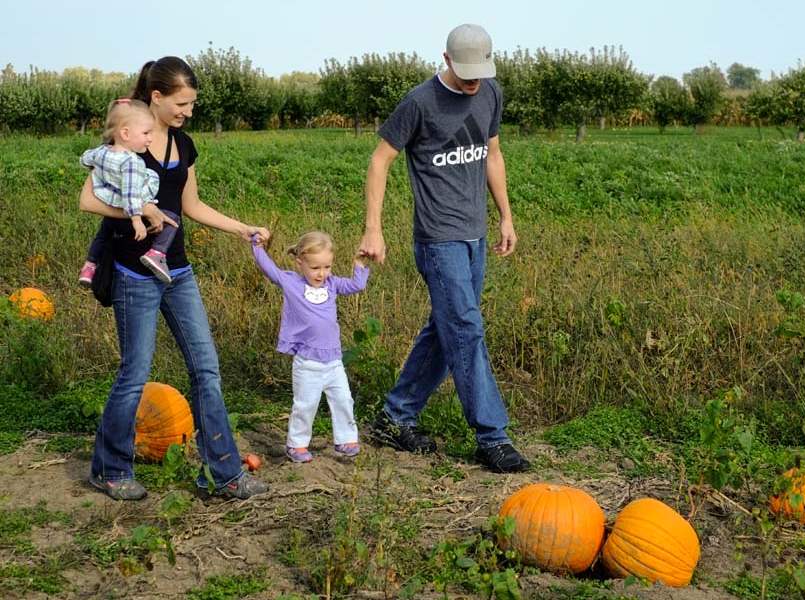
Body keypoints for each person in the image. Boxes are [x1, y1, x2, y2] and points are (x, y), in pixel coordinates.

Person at [78, 56, 270, 500]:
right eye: (182, 103)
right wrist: (139, 211)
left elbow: (193, 207)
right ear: (157, 97)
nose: (188, 111)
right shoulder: (128, 138)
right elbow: (87, 201)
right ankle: (109, 468)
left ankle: (223, 473)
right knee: (135, 371)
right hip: (133, 273)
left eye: (193, 104)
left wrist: (243, 228)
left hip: (177, 271)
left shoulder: (183, 145)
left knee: (207, 369)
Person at [357, 24, 530, 473]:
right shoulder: (419, 103)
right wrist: (372, 228)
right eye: (466, 72)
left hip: (475, 236)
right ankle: (492, 436)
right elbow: (380, 160)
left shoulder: (490, 93)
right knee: (467, 329)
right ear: (447, 59)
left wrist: (506, 215)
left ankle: (395, 416)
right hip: (438, 239)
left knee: (446, 328)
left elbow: (492, 154)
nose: (474, 81)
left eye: (481, 72)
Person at [250, 231, 369, 463]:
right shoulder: (291, 282)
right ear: (300, 263)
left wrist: (359, 263)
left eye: (327, 267)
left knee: (344, 400)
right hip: (307, 362)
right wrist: (257, 247)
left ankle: (346, 439)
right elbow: (269, 269)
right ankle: (297, 445)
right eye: (315, 268)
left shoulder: (332, 284)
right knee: (305, 405)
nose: (322, 273)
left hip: (334, 361)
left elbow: (356, 285)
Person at [78, 98, 180, 285]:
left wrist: (92, 167)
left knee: (104, 232)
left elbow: (85, 159)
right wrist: (136, 219)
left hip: (106, 196)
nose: (150, 138)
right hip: (126, 201)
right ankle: (156, 254)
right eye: (146, 133)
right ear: (125, 133)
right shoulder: (132, 162)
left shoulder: (102, 151)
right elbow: (132, 195)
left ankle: (89, 266)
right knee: (172, 220)